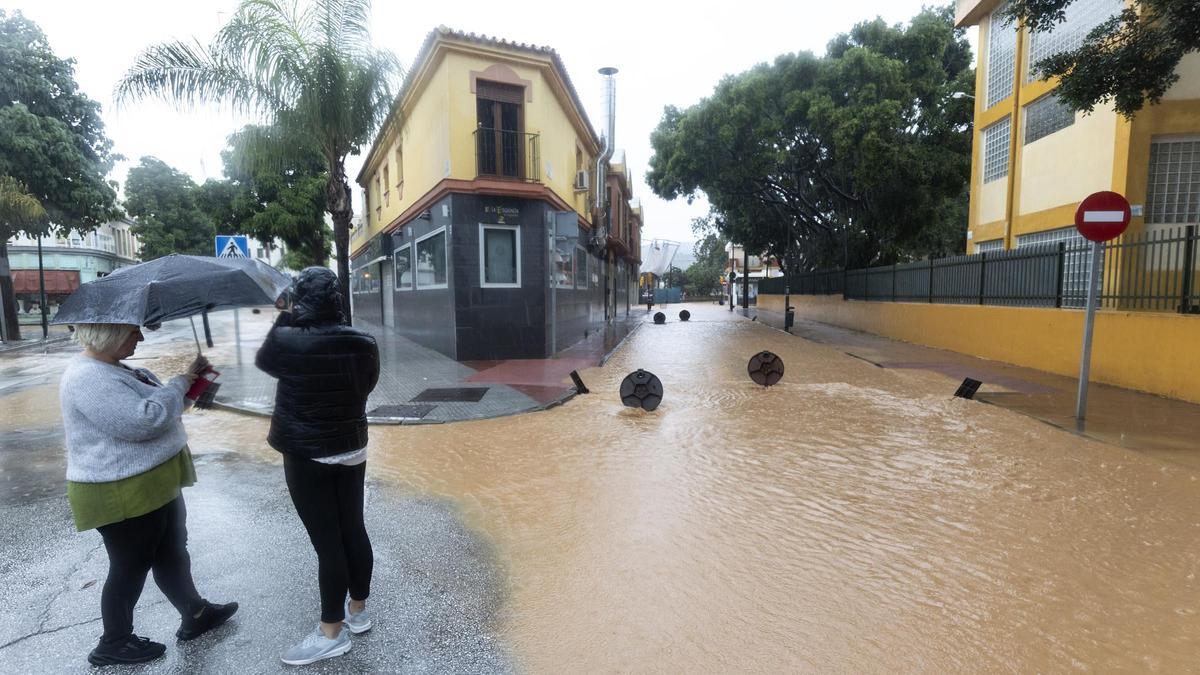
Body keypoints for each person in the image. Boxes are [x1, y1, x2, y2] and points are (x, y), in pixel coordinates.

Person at [58, 323, 238, 667]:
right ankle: (114, 642)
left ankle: (195, 612)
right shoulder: (87, 377)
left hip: (152, 481)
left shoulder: (118, 368)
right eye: (131, 332)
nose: (139, 338)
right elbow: (144, 421)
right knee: (130, 564)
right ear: (106, 334)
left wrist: (193, 379)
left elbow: (166, 408)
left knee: (171, 550)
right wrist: (179, 383)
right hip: (119, 488)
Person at [255, 267, 381, 666]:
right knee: (353, 529)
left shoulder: (286, 340)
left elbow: (264, 360)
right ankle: (356, 612)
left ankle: (331, 633)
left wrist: (286, 313)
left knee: (328, 544)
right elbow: (369, 384)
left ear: (300, 300)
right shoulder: (364, 342)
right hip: (351, 449)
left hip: (307, 455)